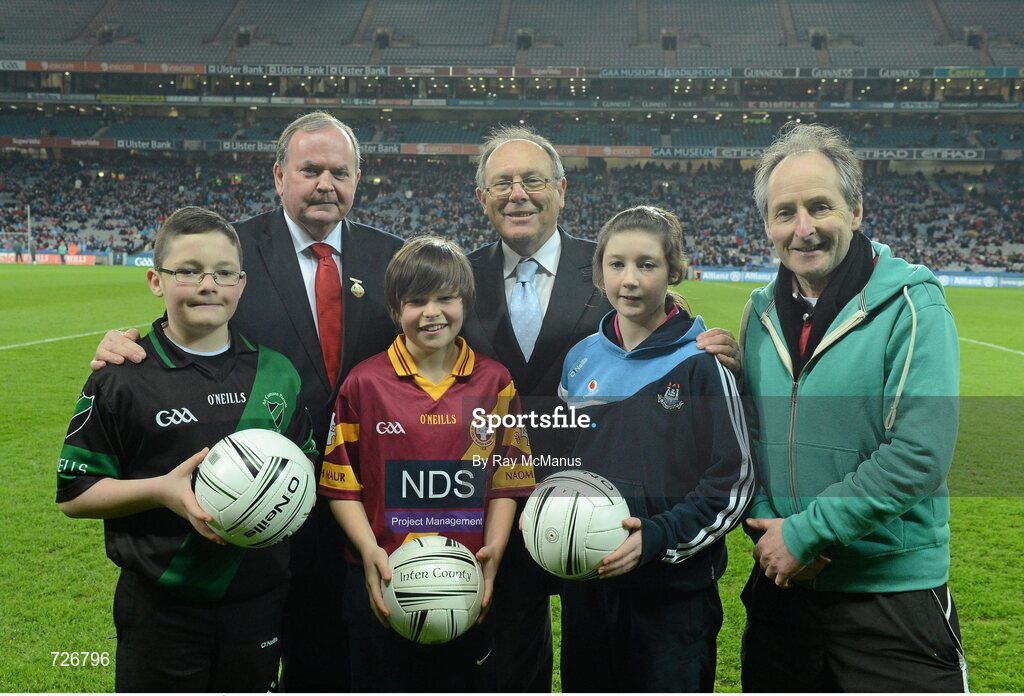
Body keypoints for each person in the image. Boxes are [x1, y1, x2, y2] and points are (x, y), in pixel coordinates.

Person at [90, 111, 404, 692]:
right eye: (310, 170)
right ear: (279, 175)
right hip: (249, 502)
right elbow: (189, 323)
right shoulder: (231, 250)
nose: (325, 184)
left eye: (340, 171)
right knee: (243, 659)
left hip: (362, 500)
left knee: (335, 661)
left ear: (359, 178)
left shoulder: (395, 259)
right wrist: (126, 340)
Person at [462, 125, 741, 692]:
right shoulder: (457, 283)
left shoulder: (615, 264)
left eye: (533, 179)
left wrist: (719, 352)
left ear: (562, 189)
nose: (518, 193)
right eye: (503, 183)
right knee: (513, 674)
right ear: (482, 198)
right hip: (490, 518)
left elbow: (665, 339)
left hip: (606, 534)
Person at [739, 122, 966, 691]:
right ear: (767, 224)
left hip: (889, 599)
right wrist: (776, 532)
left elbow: (918, 454)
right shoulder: (757, 315)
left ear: (856, 210)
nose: (804, 228)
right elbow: (748, 442)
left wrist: (807, 534)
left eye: (821, 206)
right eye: (785, 212)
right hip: (783, 596)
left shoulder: (913, 303)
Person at [56, 207, 317, 692]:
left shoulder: (276, 372)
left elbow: (306, 465)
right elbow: (74, 494)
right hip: (162, 605)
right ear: (156, 280)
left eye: (222, 273)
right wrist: (162, 491)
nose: (207, 285)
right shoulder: (121, 376)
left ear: (241, 283)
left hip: (257, 599)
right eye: (189, 271)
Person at [318, 235, 535, 691]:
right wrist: (369, 551)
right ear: (396, 310)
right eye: (417, 301)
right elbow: (342, 485)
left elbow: (505, 482)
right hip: (384, 579)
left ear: (465, 302)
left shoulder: (495, 381)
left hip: (467, 583)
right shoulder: (364, 383)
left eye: (445, 298)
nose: (432, 312)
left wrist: (492, 556)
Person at [556, 205, 754, 692]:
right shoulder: (579, 360)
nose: (629, 279)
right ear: (599, 269)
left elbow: (733, 482)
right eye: (616, 263)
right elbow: (562, 465)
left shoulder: (703, 363)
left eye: (647, 264)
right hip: (590, 589)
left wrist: (659, 538)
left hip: (672, 601)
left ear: (674, 272)